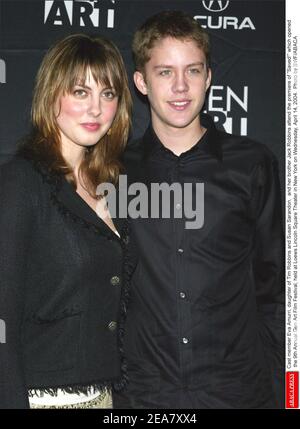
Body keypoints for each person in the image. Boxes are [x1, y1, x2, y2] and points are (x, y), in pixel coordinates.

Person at [113, 11, 284, 409]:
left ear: (208, 77)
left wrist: (281, 386)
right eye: (164, 72)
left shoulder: (251, 164)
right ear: (141, 81)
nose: (180, 86)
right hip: (141, 395)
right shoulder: (114, 171)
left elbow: (275, 288)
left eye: (192, 70)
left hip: (238, 392)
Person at [0, 33, 133, 409]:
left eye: (107, 94)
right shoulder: (20, 183)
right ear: (52, 95)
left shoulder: (112, 185)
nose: (95, 109)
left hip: (104, 397)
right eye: (80, 92)